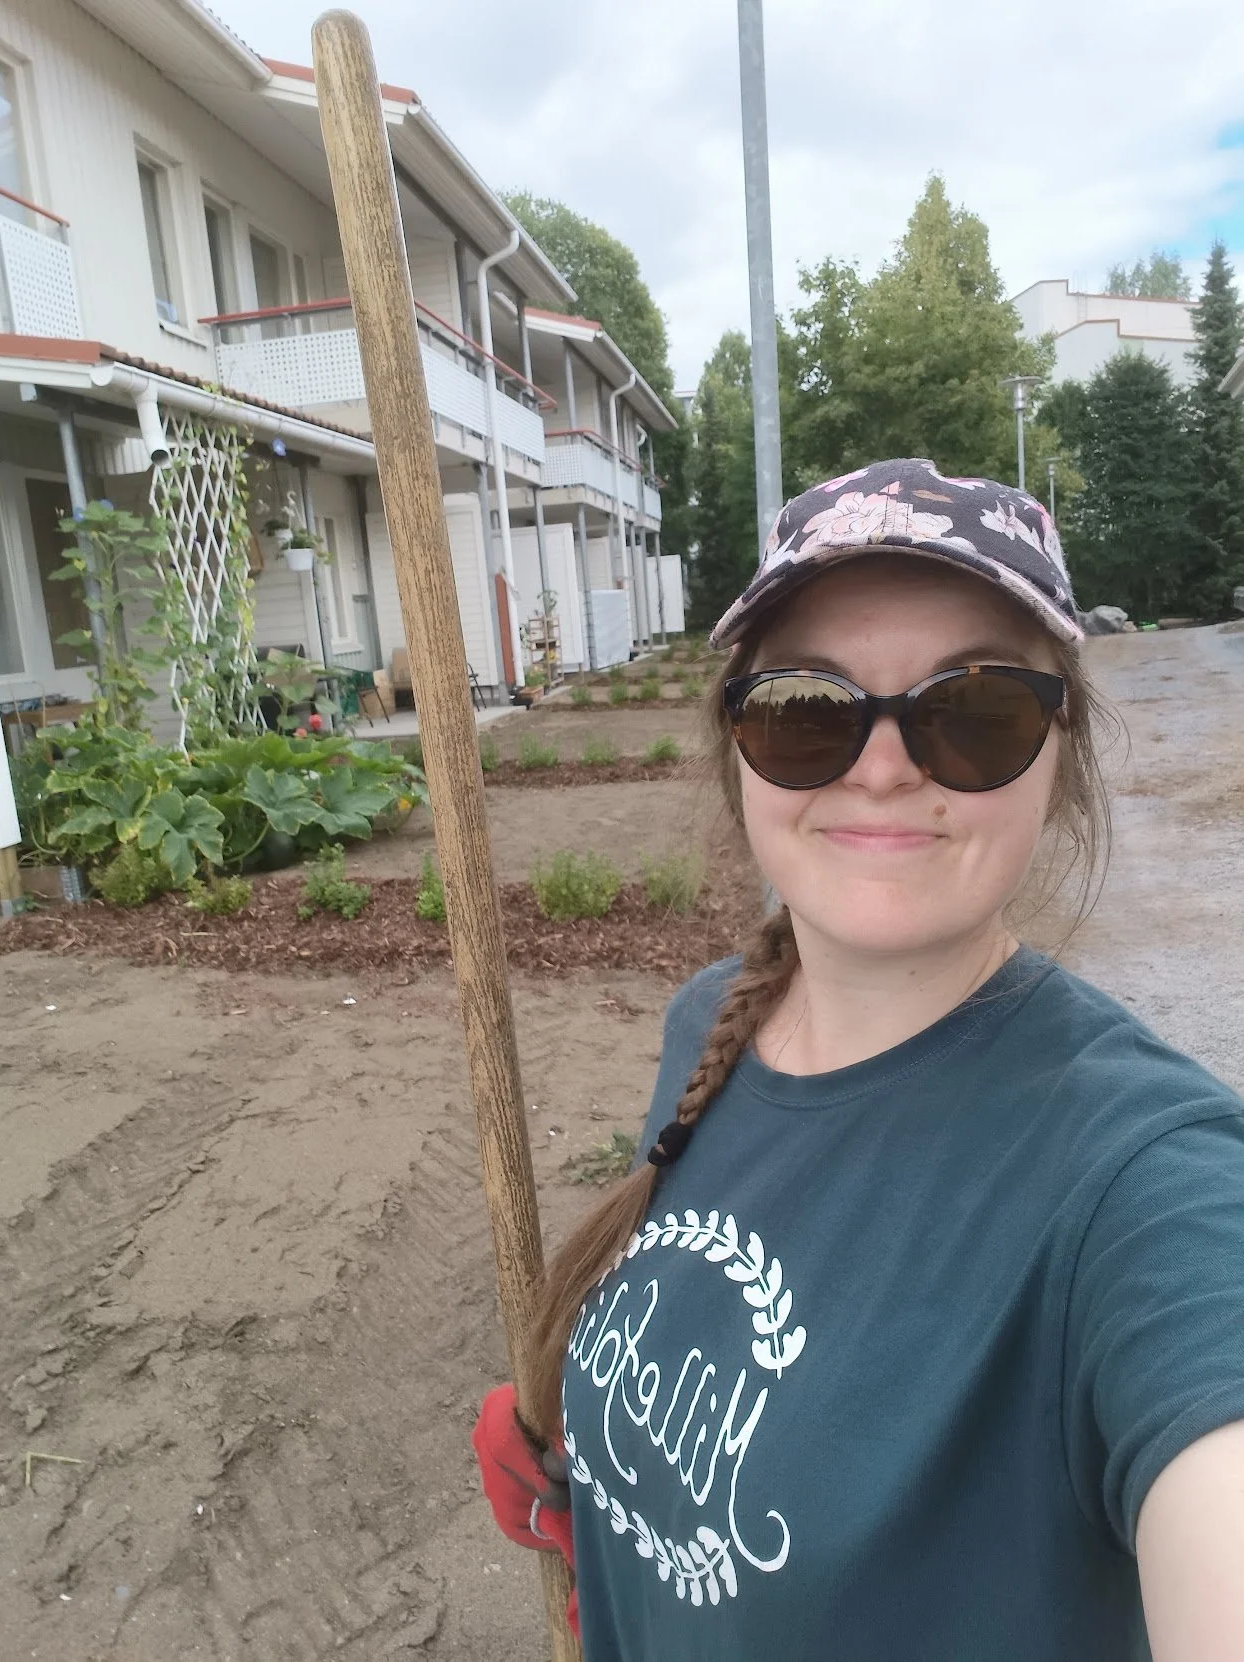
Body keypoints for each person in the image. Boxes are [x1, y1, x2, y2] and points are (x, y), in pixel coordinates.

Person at [472, 459, 1244, 1661]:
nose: (881, 765)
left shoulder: (1142, 1189)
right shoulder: (708, 1023)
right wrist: (610, 1478)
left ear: (1060, 750)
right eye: (804, 709)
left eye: (973, 712)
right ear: (739, 742)